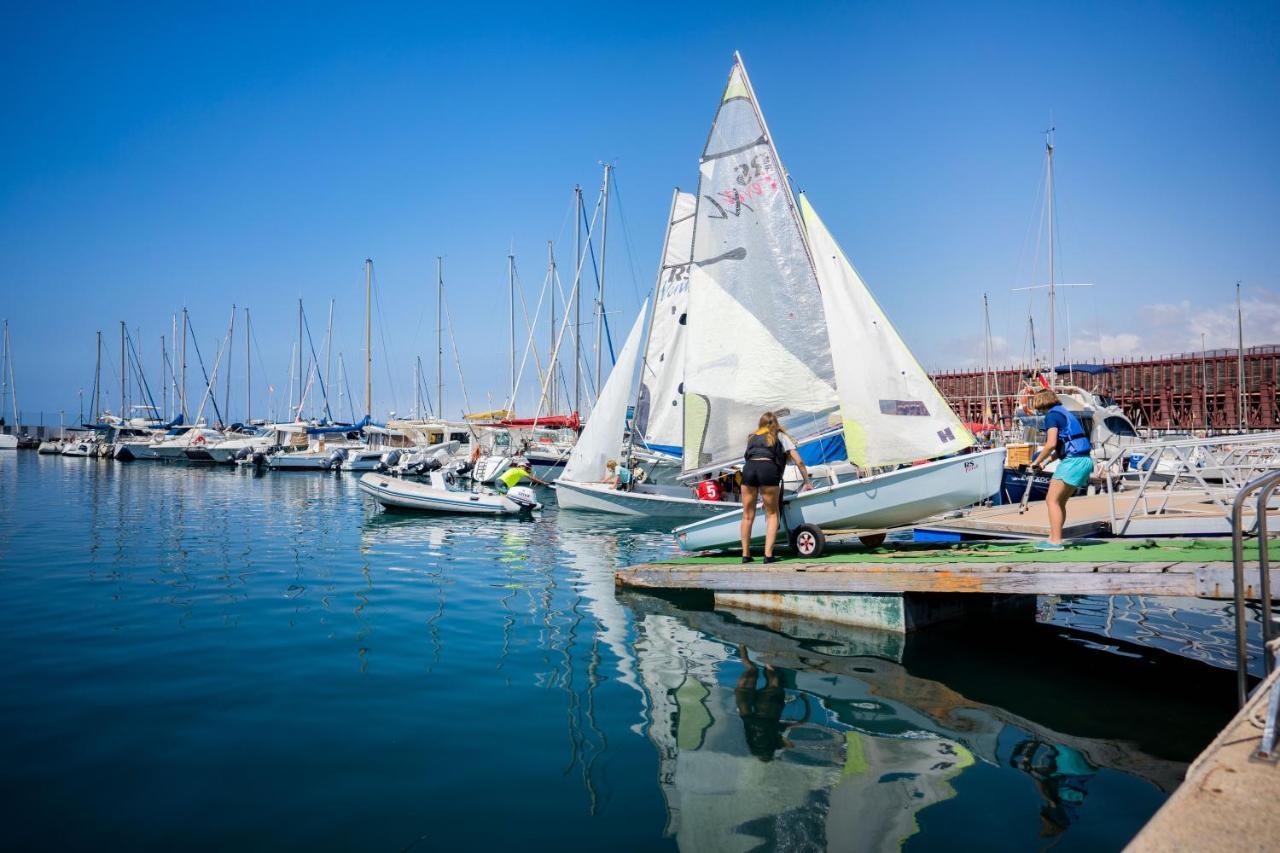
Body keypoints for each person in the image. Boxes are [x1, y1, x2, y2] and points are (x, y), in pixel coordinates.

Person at [740, 411, 812, 563]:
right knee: (772, 514)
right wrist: (807, 481)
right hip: (767, 469)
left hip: (749, 469)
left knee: (747, 515)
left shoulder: (752, 437)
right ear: (776, 423)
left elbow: (748, 456)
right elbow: (799, 461)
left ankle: (746, 555)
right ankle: (768, 555)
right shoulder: (781, 436)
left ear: (761, 424)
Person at [1028, 389, 1093, 550]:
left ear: (1040, 403)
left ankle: (1055, 541)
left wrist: (1036, 461)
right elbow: (1062, 447)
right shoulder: (1063, 413)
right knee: (1060, 502)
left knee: (1051, 500)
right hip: (1084, 461)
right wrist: (1045, 463)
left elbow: (1050, 444)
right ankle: (1054, 537)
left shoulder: (1051, 416)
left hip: (1073, 463)